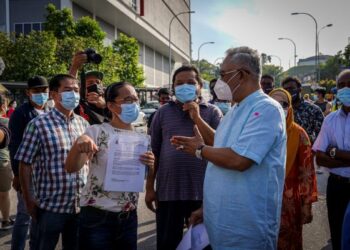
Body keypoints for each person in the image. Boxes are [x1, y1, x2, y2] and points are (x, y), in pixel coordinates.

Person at [171, 47, 286, 249]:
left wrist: (199, 150)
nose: (220, 81)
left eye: (223, 75)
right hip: (222, 222)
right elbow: (220, 144)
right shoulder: (236, 108)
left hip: (247, 228)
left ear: (241, 75)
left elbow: (239, 159)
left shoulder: (266, 108)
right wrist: (207, 208)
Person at [65, 82, 155, 250]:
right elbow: (71, 167)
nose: (134, 104)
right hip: (97, 217)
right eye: (128, 100)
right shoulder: (96, 132)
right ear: (111, 105)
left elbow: (146, 174)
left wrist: (151, 164)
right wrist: (79, 144)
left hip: (128, 217)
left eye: (135, 99)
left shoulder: (141, 138)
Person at [146, 65, 222, 249]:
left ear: (199, 86)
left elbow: (219, 146)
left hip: (203, 194)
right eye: (179, 83)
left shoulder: (212, 112)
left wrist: (196, 116)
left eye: (190, 82)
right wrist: (149, 188)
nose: (184, 86)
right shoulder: (162, 112)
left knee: (202, 245)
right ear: (173, 87)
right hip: (168, 192)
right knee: (167, 243)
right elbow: (153, 151)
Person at [15, 74, 89, 250]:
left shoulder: (83, 124)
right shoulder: (38, 124)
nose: (74, 94)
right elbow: (25, 163)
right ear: (54, 95)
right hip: (50, 208)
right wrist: (28, 199)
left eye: (76, 90)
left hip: (79, 207)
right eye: (68, 90)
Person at [269, 88, 318, 250]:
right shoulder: (258, 132)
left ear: (289, 107)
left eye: (283, 103)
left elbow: (307, 173)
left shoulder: (299, 134)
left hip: (288, 203)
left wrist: (307, 205)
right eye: (273, 102)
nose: (278, 107)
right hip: (262, 200)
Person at [9, 75, 50, 250]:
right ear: (28, 92)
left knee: (40, 215)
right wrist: (17, 175)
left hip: (46, 174)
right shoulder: (21, 114)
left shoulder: (50, 111)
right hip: (27, 173)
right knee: (24, 214)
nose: (41, 94)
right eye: (36, 91)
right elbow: (14, 146)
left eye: (44, 90)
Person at [313, 69, 350, 250]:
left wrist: (335, 152)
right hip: (337, 186)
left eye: (349, 85)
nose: (346, 89)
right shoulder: (330, 120)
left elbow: (328, 154)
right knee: (337, 234)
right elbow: (320, 157)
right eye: (341, 86)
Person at [282, 76, 324, 143]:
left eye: (291, 88)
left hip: (307, 151)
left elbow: (322, 136)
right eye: (286, 89)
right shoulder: (280, 111)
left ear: (300, 89)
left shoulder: (313, 110)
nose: (288, 92)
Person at [69, 52, 107, 125]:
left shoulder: (110, 104)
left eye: (98, 82)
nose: (95, 85)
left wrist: (104, 106)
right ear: (81, 87)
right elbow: (70, 85)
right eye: (90, 83)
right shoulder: (78, 103)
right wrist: (75, 66)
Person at [0, 94, 13, 230]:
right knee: (4, 194)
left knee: (4, 193)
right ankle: (5, 220)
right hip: (3, 162)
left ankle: (5, 220)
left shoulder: (5, 122)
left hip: (3, 162)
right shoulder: (7, 121)